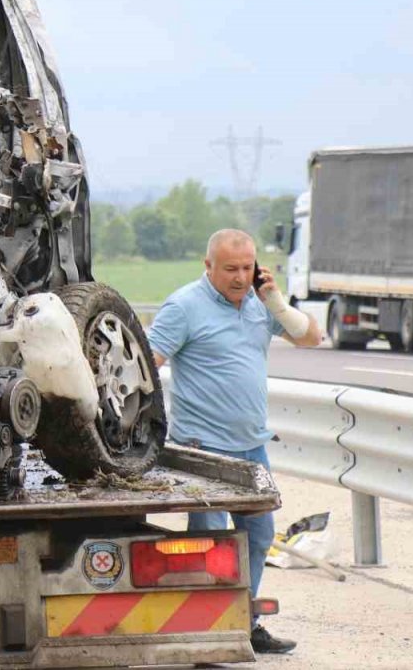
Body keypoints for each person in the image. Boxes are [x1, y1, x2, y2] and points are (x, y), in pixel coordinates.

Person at [147, 229, 322, 656]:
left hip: (252, 445)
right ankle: (206, 627)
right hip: (201, 445)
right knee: (208, 539)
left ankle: (246, 621)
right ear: (208, 267)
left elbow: (311, 338)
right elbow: (147, 363)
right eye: (230, 269)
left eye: (247, 268)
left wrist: (275, 299)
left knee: (259, 533)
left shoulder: (262, 304)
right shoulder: (184, 306)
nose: (240, 277)